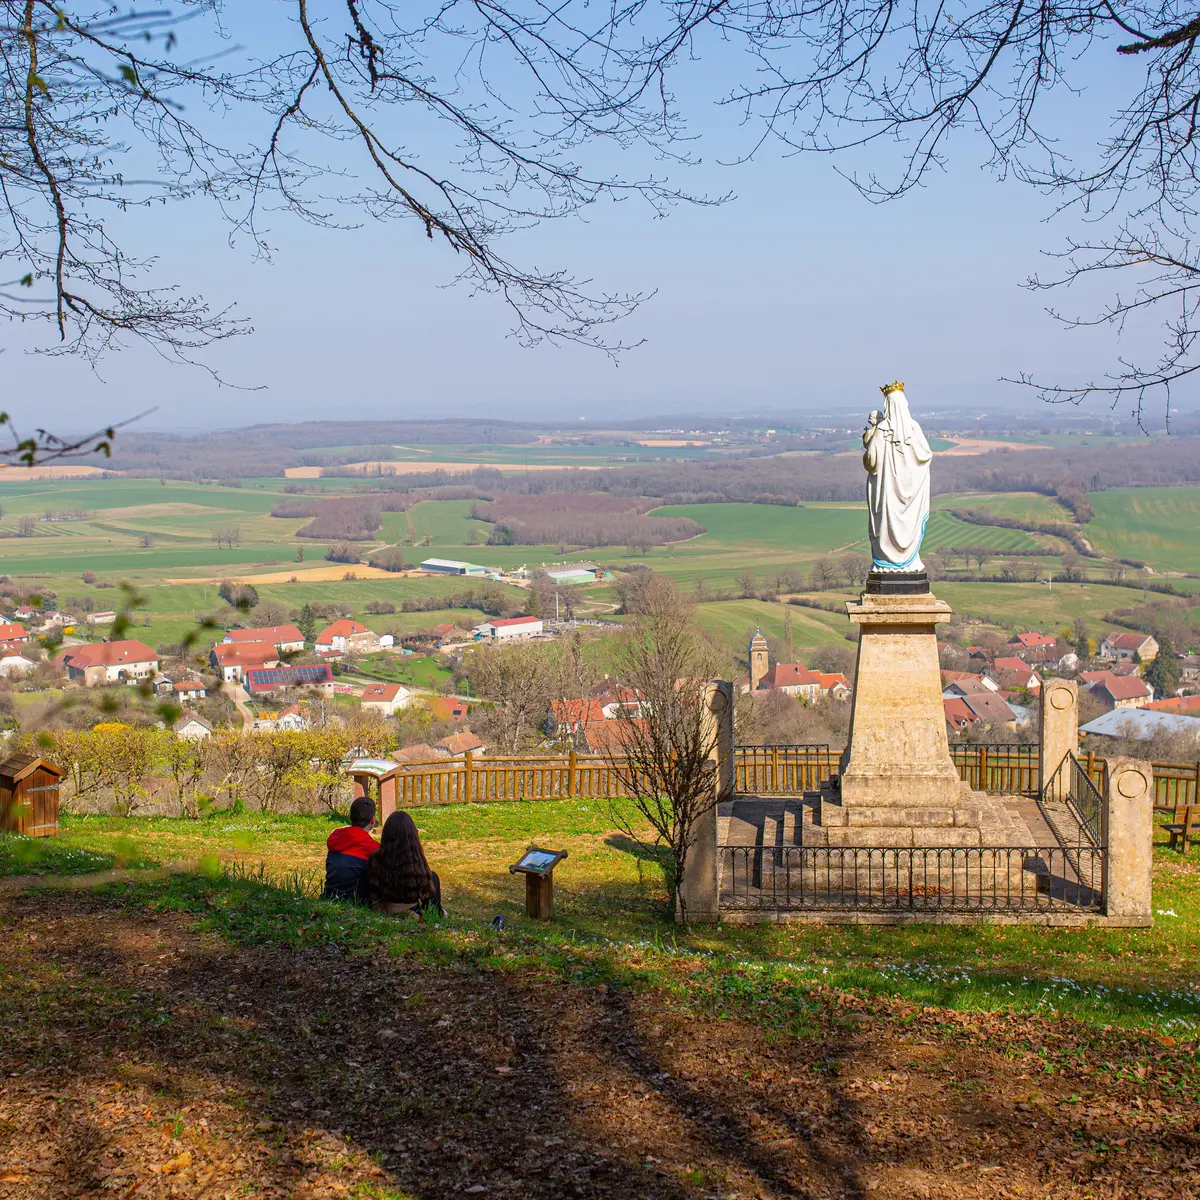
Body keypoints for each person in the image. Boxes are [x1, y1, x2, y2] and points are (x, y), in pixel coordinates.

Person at [362, 811, 444, 916]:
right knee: (433, 878)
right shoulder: (416, 860)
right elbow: (427, 895)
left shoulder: (374, 859)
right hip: (410, 912)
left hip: (380, 912)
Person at [322, 796, 380, 902]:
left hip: (329, 896)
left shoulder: (336, 839)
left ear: (350, 817)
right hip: (357, 901)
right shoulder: (374, 848)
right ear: (372, 820)